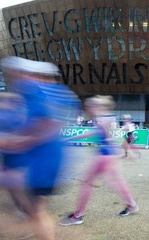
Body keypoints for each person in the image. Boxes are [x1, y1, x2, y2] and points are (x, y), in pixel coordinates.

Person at [0, 56, 80, 240]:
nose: (17, 78)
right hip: (45, 158)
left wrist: (16, 140)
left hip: (43, 161)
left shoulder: (37, 91)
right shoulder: (55, 92)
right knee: (36, 206)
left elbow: (46, 125)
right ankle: (35, 229)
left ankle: (38, 231)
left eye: (19, 73)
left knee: (36, 209)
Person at [59, 95, 139, 227]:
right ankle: (131, 204)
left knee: (87, 184)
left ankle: (77, 216)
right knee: (117, 182)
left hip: (104, 156)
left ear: (98, 106)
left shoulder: (103, 119)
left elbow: (109, 136)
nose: (88, 109)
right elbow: (114, 135)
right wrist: (127, 150)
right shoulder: (110, 118)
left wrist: (123, 147)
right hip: (110, 156)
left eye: (90, 106)